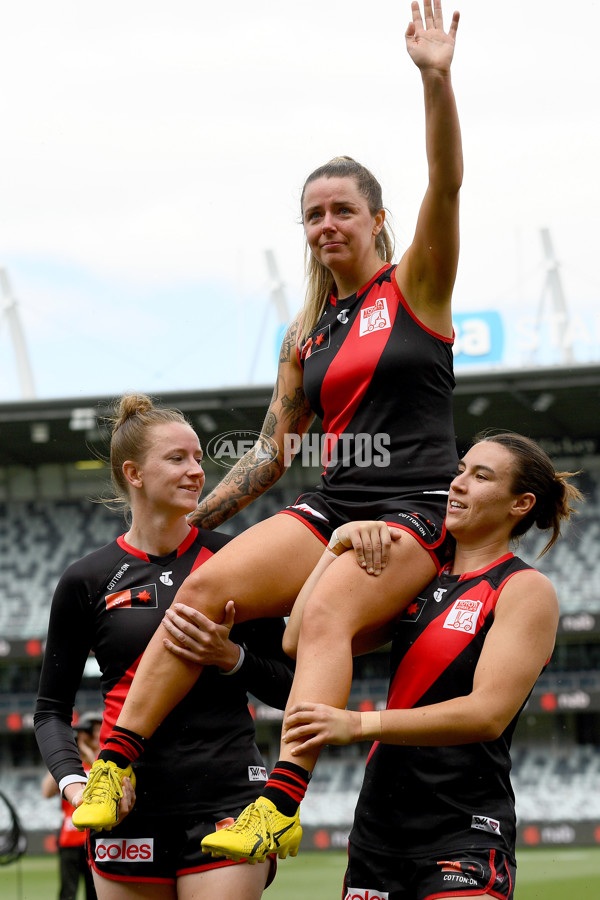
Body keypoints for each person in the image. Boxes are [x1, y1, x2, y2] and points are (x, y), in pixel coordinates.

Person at [72, 0, 463, 863]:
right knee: (199, 592)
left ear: (376, 219)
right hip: (331, 507)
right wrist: (188, 526)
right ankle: (116, 766)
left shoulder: (417, 289)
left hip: (415, 514)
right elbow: (269, 455)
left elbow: (448, 182)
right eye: (313, 215)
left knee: (322, 610)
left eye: (341, 211)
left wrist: (436, 81)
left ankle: (279, 802)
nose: (327, 226)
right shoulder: (305, 336)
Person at [282, 432, 583, 900]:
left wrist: (358, 723)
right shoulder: (415, 577)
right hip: (377, 828)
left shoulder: (523, 588)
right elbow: (300, 639)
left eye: (481, 477)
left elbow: (486, 714)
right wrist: (335, 548)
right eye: (460, 469)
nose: (458, 483)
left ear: (520, 504)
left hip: (463, 826)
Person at [34, 394, 294, 899]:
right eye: (178, 458)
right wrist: (75, 785)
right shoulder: (85, 579)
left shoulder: (238, 560)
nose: (197, 471)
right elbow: (50, 711)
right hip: (125, 801)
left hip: (227, 794)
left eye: (199, 458)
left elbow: (291, 687)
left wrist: (231, 659)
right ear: (133, 473)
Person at [42, 711, 103, 900]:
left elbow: (103, 782)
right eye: (90, 730)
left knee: (95, 893)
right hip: (69, 838)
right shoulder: (72, 763)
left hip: (93, 837)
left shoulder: (103, 760)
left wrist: (91, 753)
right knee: (67, 893)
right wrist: (67, 757)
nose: (93, 734)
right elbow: (47, 791)